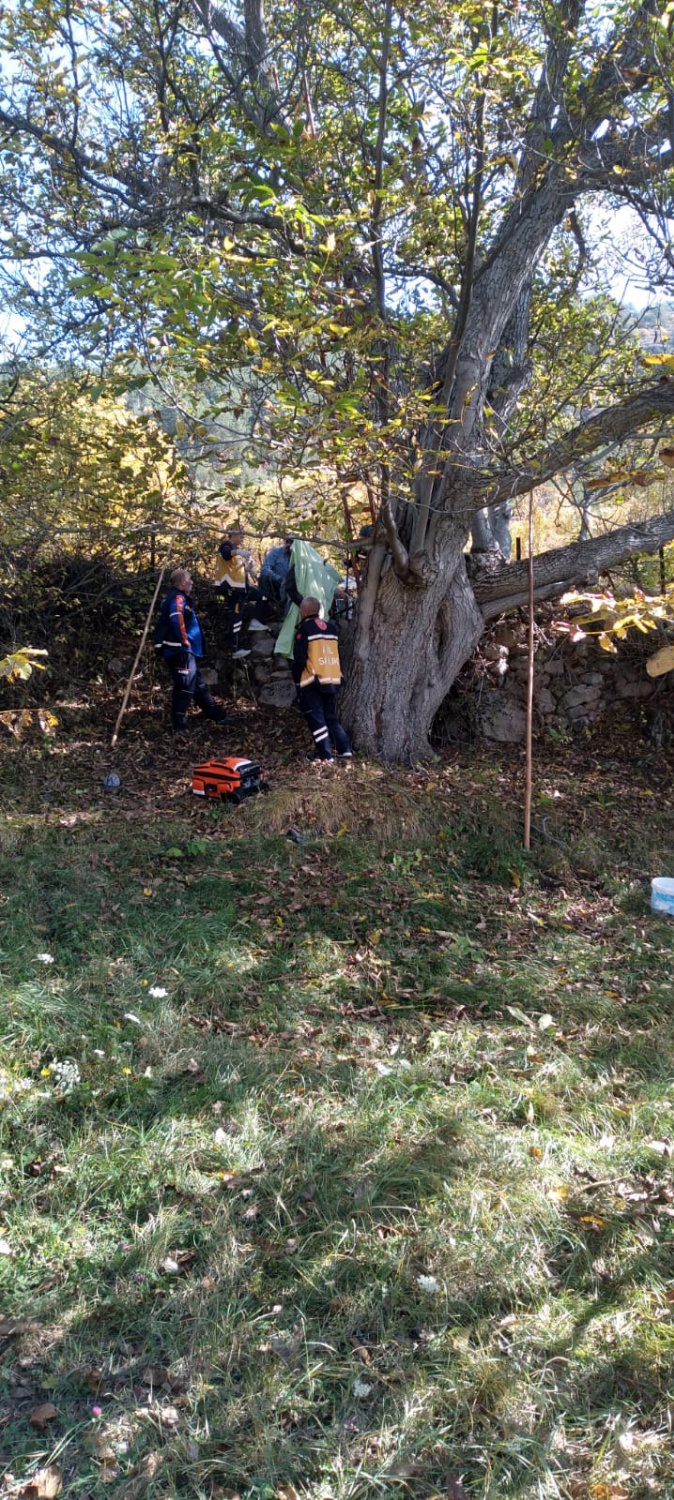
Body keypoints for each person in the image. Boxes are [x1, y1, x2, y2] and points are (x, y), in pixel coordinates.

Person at [154, 568, 235, 736]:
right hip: (180, 651)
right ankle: (179, 727)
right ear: (183, 582)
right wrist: (185, 641)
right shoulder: (177, 597)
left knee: (197, 685)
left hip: (183, 651)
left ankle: (217, 716)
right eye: (190, 579)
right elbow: (176, 618)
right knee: (184, 687)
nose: (192, 582)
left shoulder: (180, 597)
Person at [292, 596, 352, 762]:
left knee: (316, 719)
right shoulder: (331, 629)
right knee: (330, 717)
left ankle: (324, 755)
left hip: (313, 680)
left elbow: (299, 659)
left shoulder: (304, 630)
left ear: (304, 611)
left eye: (300, 609)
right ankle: (344, 748)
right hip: (332, 679)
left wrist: (297, 680)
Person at [213, 524, 269, 658]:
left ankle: (256, 621)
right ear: (231, 535)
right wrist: (239, 552)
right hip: (233, 590)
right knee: (235, 618)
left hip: (242, 589)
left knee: (263, 597)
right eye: (240, 534)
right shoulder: (226, 545)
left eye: (244, 534)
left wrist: (250, 569)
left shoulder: (235, 552)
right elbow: (226, 554)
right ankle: (234, 649)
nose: (243, 537)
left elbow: (238, 570)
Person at [259, 535, 293, 606]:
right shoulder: (276, 552)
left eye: (291, 542)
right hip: (275, 583)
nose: (289, 545)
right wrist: (278, 578)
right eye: (287, 542)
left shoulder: (298, 557)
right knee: (264, 576)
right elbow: (265, 569)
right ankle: (264, 603)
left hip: (289, 586)